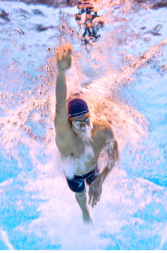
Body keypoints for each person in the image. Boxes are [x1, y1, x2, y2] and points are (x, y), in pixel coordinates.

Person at [54, 44, 118, 224]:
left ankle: (94, 188)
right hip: (73, 173)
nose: (84, 126)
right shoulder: (65, 136)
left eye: (86, 120)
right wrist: (61, 73)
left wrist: (101, 179)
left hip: (91, 168)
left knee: (94, 185)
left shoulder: (102, 130)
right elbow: (60, 106)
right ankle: (84, 212)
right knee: (80, 195)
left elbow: (114, 155)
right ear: (69, 122)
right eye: (78, 122)